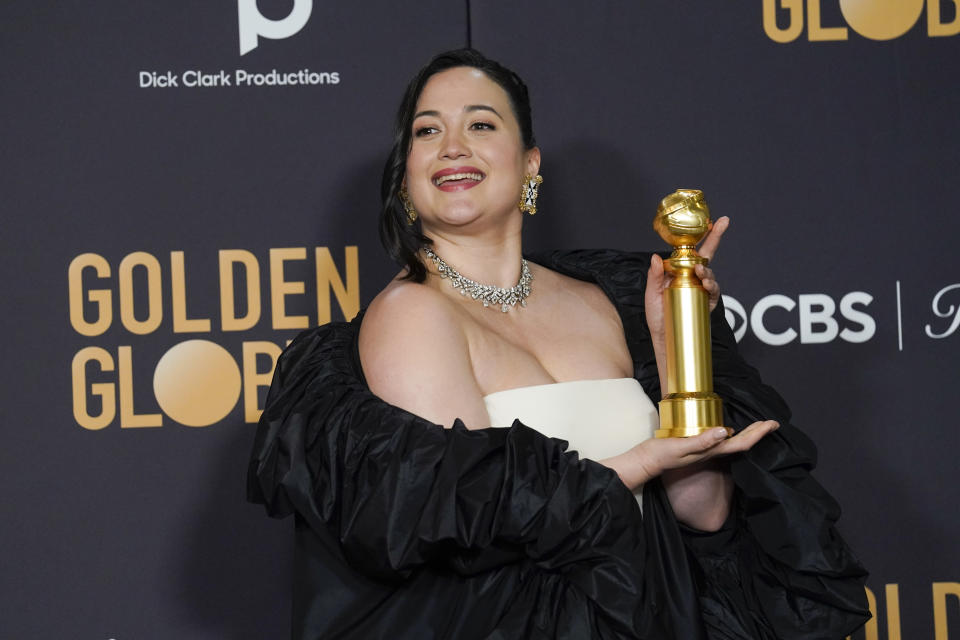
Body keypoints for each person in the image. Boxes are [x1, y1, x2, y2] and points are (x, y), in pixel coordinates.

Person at [248, 49, 869, 639]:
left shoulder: (607, 298)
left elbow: (702, 513)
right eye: (426, 131)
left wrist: (676, 348)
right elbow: (460, 539)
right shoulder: (413, 314)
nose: (452, 146)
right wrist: (637, 464)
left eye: (481, 124)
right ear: (407, 177)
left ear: (530, 165)